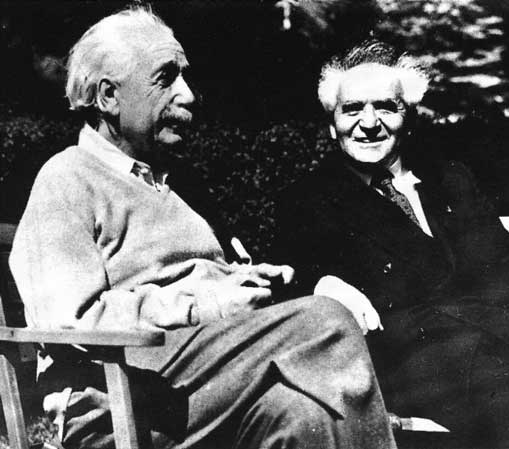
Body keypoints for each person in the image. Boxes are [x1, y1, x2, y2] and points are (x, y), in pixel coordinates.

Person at [8, 10, 396, 449]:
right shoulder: (66, 178)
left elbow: (190, 278)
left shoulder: (177, 184)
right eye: (166, 78)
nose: (188, 95)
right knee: (328, 319)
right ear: (109, 96)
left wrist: (242, 280)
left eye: (185, 77)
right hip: (118, 403)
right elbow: (71, 319)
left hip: (195, 386)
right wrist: (206, 304)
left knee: (301, 413)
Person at [274, 39, 509, 447]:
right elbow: (288, 277)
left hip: (505, 341)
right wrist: (322, 285)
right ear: (331, 123)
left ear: (408, 119)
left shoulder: (449, 179)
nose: (369, 123)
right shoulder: (308, 199)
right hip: (418, 366)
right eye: (353, 109)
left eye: (386, 108)